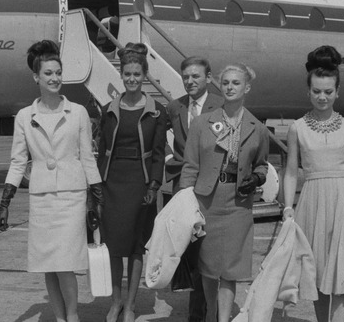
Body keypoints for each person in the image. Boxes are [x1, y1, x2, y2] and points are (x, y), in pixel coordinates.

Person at [0, 40, 103, 322]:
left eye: (58, 72)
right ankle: (59, 318)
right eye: (48, 74)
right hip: (42, 199)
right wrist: (5, 202)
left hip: (71, 197)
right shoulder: (24, 116)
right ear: (36, 77)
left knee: (65, 264)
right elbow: (18, 161)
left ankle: (73, 316)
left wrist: (97, 198)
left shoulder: (78, 112)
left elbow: (87, 157)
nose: (55, 78)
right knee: (48, 265)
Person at [282, 45, 344, 322]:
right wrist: (288, 208)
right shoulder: (297, 128)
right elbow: (290, 172)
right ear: (308, 91)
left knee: (343, 278)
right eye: (317, 91)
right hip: (312, 204)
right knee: (319, 277)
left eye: (328, 92)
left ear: (338, 92)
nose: (322, 97)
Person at [179, 64, 269, 322]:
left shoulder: (257, 127)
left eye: (236, 83)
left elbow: (262, 164)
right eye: (226, 83)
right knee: (208, 266)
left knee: (230, 268)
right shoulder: (201, 123)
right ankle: (210, 312)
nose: (230, 87)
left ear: (247, 88)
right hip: (207, 201)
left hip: (237, 204)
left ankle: (223, 318)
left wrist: (257, 177)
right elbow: (190, 166)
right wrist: (186, 201)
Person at [98, 42, 168, 322]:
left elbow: (160, 154)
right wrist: (96, 187)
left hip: (140, 183)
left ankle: (130, 305)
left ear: (145, 75)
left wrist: (153, 185)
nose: (131, 79)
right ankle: (115, 302)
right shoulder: (108, 109)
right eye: (127, 74)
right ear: (121, 75)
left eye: (137, 74)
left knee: (136, 246)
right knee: (113, 245)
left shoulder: (156, 111)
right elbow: (101, 148)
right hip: (112, 183)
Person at [164, 56, 223, 322]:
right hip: (184, 186)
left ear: (208, 78)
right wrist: (169, 160)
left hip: (213, 190)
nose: (190, 81)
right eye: (186, 77)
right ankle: (196, 313)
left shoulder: (221, 105)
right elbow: (159, 138)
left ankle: (209, 312)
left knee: (209, 252)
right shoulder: (175, 107)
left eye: (196, 76)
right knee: (190, 249)